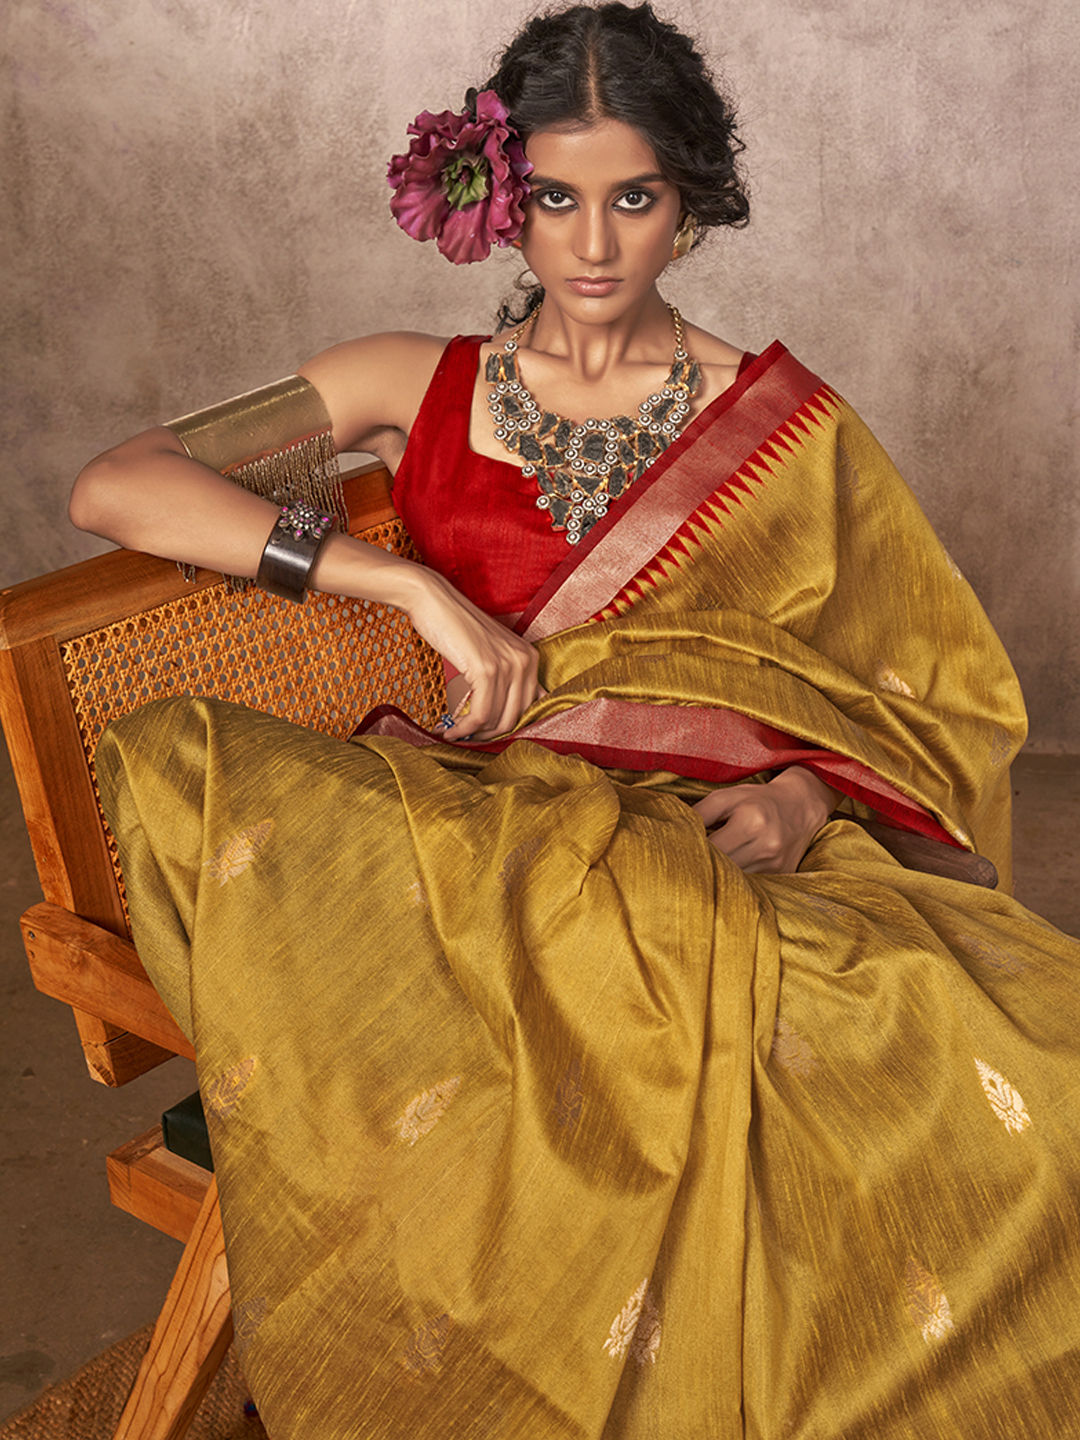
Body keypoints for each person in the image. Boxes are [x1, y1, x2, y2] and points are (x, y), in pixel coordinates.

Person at [69, 4, 1080, 1437]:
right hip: (493, 847)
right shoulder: (414, 382)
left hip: (726, 850)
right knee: (195, 764)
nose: (594, 246)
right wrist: (400, 583)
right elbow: (117, 483)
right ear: (500, 197)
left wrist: (804, 797)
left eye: (634, 199)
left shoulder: (782, 425)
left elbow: (928, 696)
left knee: (1011, 1068)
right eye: (556, 199)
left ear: (690, 200)